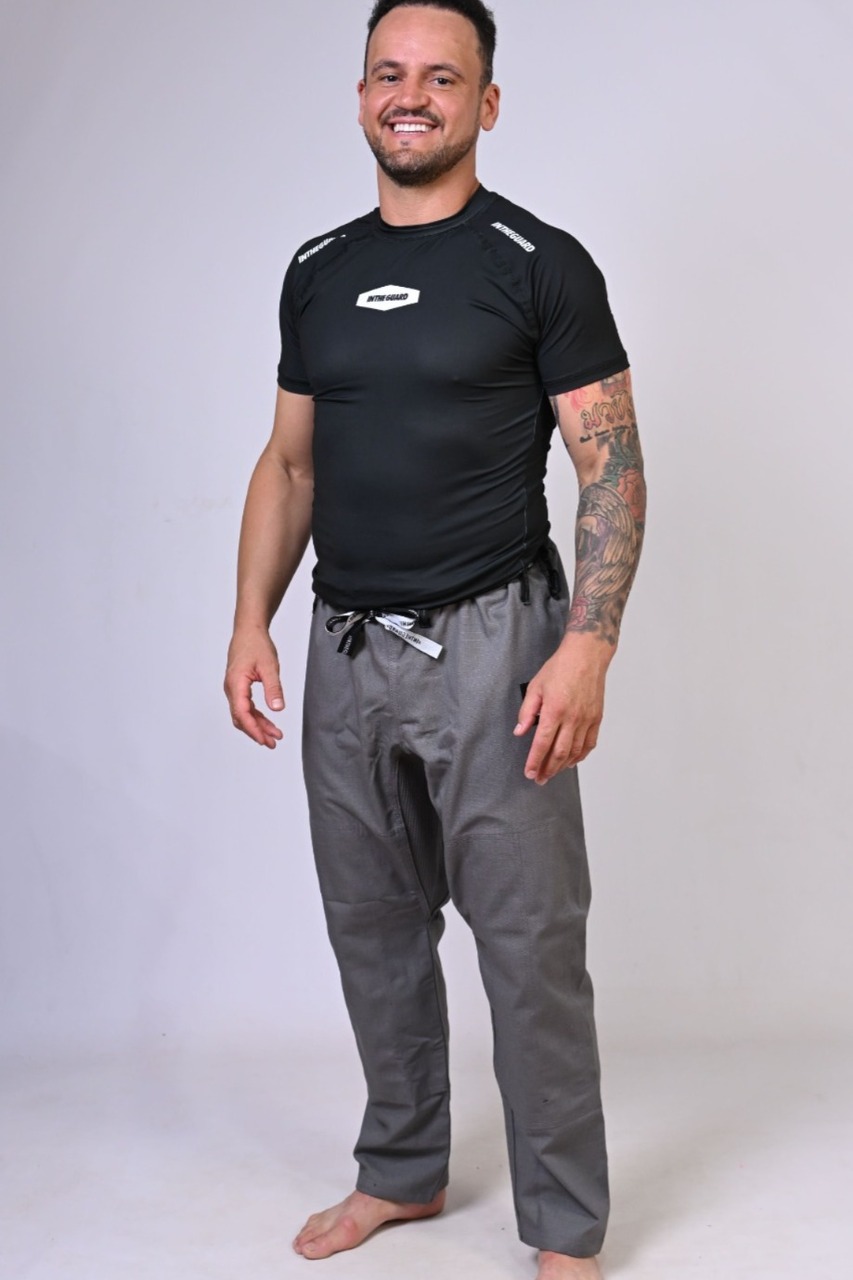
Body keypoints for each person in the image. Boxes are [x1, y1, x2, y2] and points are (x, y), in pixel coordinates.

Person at [223, 1, 646, 1276]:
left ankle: (564, 1228)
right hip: (345, 646)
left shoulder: (539, 263)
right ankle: (401, 1169)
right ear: (362, 97)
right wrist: (248, 618)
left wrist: (586, 646)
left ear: (486, 103)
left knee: (528, 946)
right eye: (389, 74)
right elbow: (291, 464)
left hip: (495, 645)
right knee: (372, 926)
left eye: (442, 77)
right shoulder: (316, 269)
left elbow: (611, 470)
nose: (411, 95)